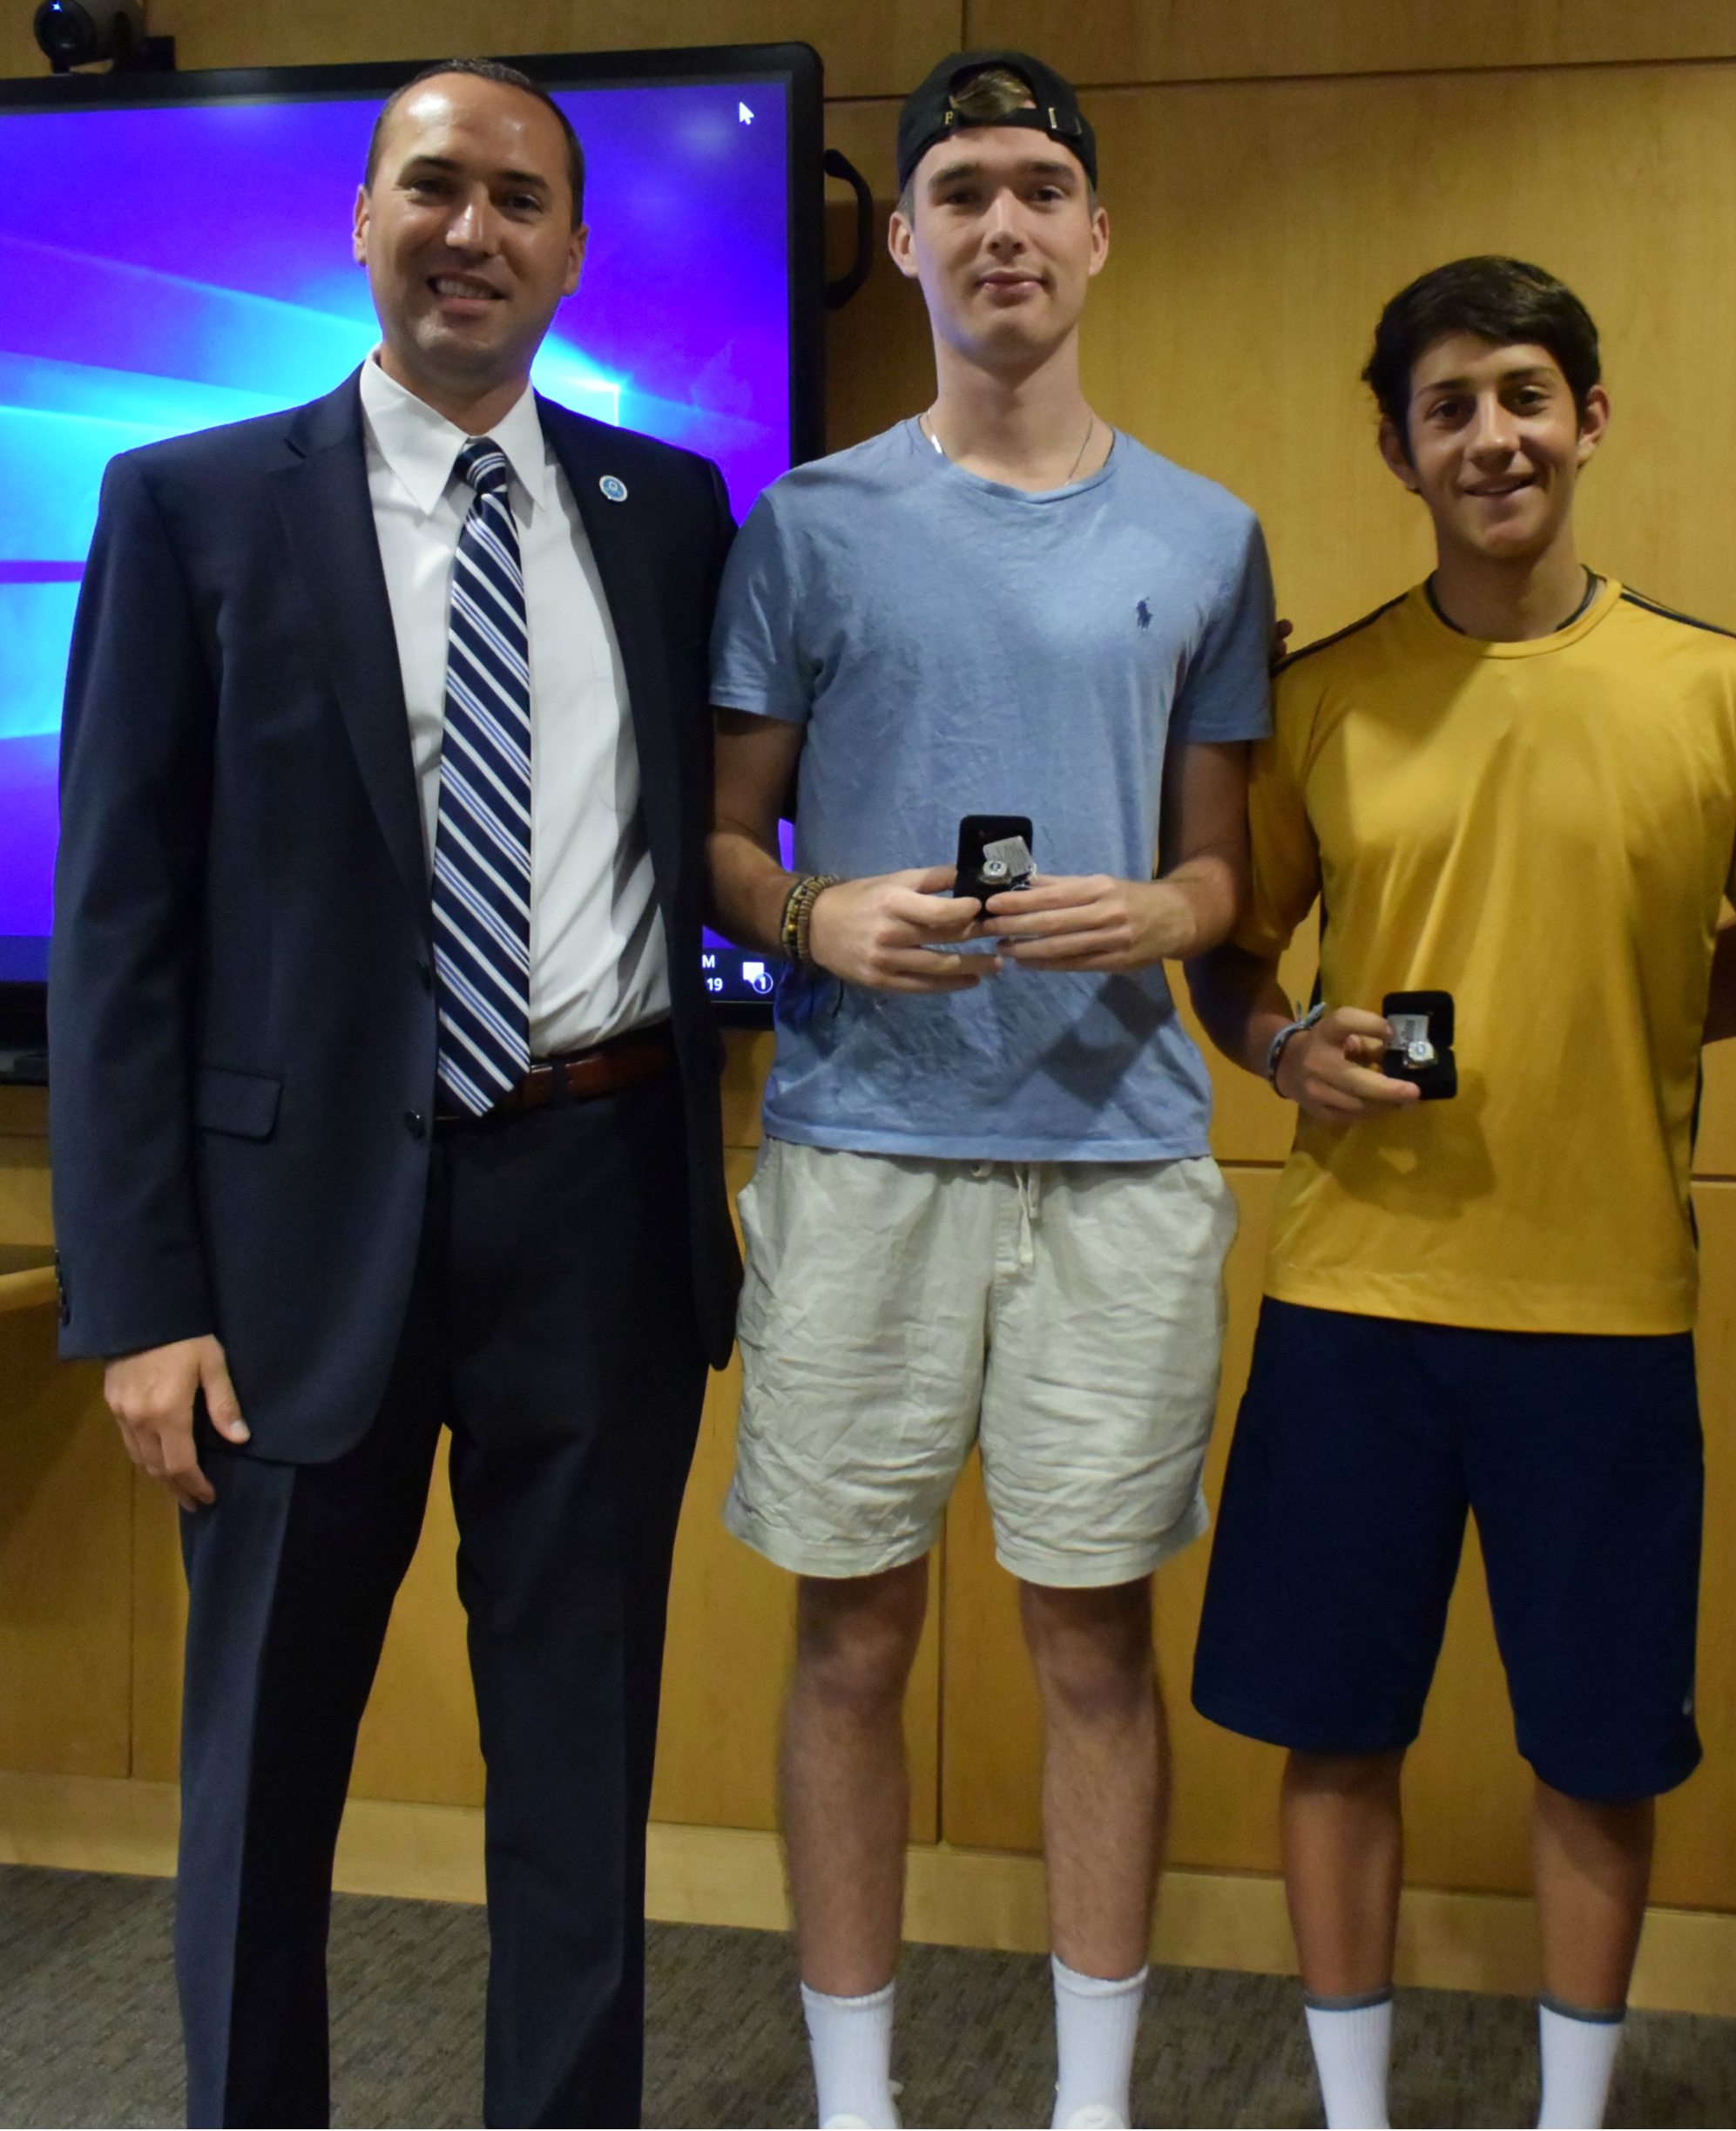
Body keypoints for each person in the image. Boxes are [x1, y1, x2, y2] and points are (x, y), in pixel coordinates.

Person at [49, 58, 743, 2128]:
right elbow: (118, 927)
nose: (474, 232)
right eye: (434, 188)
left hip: (598, 1201)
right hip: (277, 1258)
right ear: (359, 219)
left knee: (578, 1783)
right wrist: (139, 1292)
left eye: (520, 200)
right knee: (260, 1782)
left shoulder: (667, 508)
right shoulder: (189, 504)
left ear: (571, 251)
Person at [1185, 257, 1736, 2131]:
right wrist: (1282, 1042)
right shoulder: (1325, 697)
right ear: (1397, 447)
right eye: (1449, 406)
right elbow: (1231, 958)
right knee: (1336, 1728)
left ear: (1592, 418)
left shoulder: (1726, 693)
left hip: (1609, 1312)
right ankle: (1356, 2109)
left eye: (1526, 394)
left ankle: (1571, 2114)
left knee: (1596, 1747)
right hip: (1354, 1300)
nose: (1493, 437)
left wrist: (1619, 1010)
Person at [704, 50, 1273, 2131]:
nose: (1003, 226)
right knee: (852, 1644)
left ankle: (1089, 2102)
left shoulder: (1211, 533)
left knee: (1093, 1646)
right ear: (916, 242)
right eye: (962, 195)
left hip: (1117, 1163)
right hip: (861, 1147)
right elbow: (726, 837)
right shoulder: (813, 520)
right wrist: (817, 918)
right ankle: (859, 2104)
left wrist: (1170, 907)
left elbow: (1229, 865)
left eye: (1040, 188)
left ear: (1097, 234)